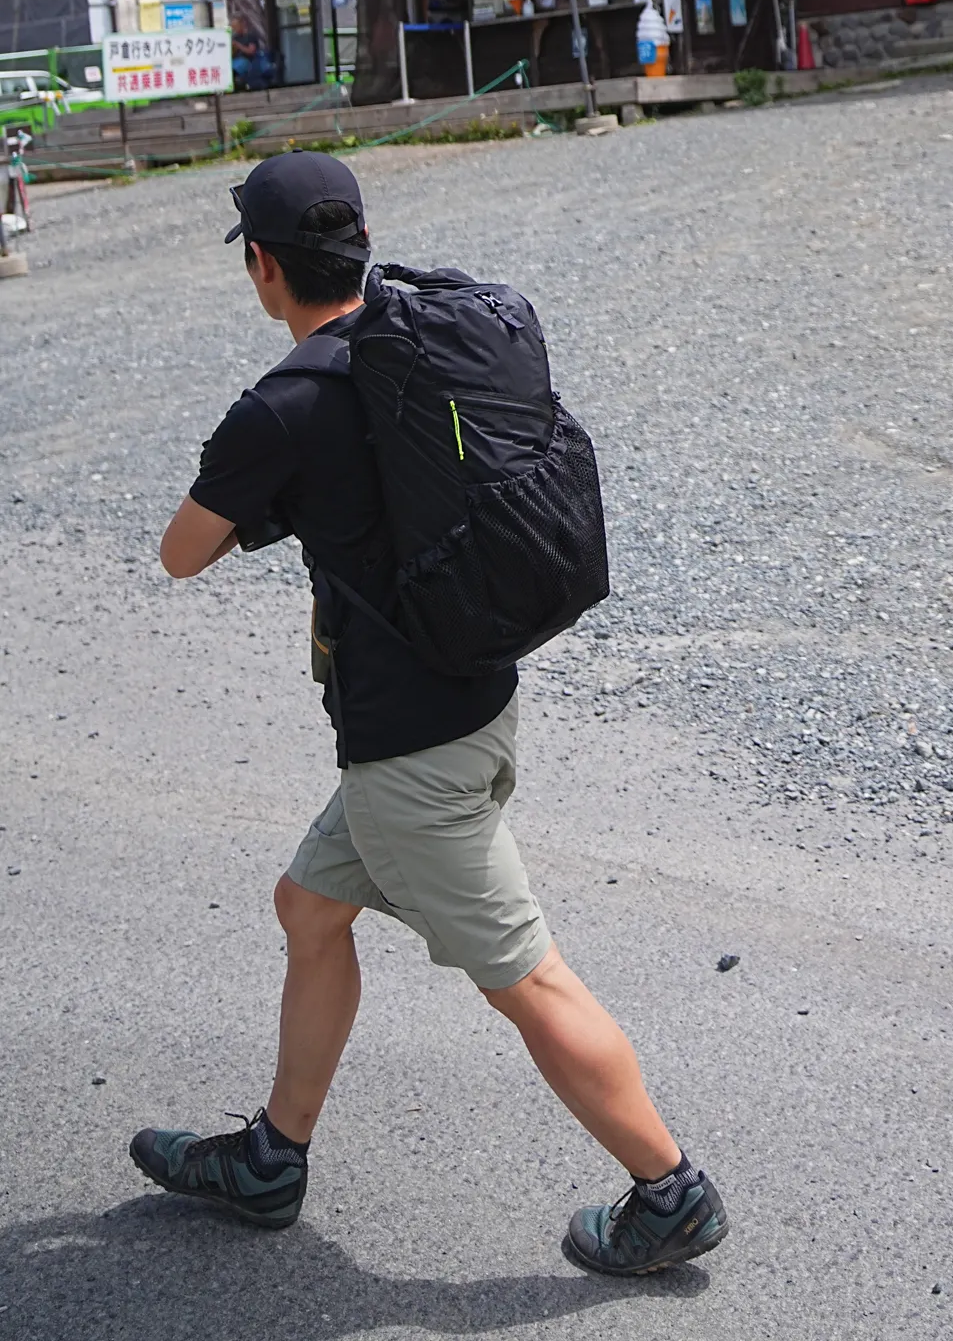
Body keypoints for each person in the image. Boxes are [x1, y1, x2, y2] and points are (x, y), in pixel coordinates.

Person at [130, 152, 727, 1279]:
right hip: (477, 702)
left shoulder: (285, 405)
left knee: (530, 980)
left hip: (412, 759)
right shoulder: (420, 340)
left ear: (263, 267)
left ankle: (670, 1193)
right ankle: (271, 1158)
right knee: (310, 906)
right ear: (356, 241)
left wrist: (271, 491)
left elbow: (179, 554)